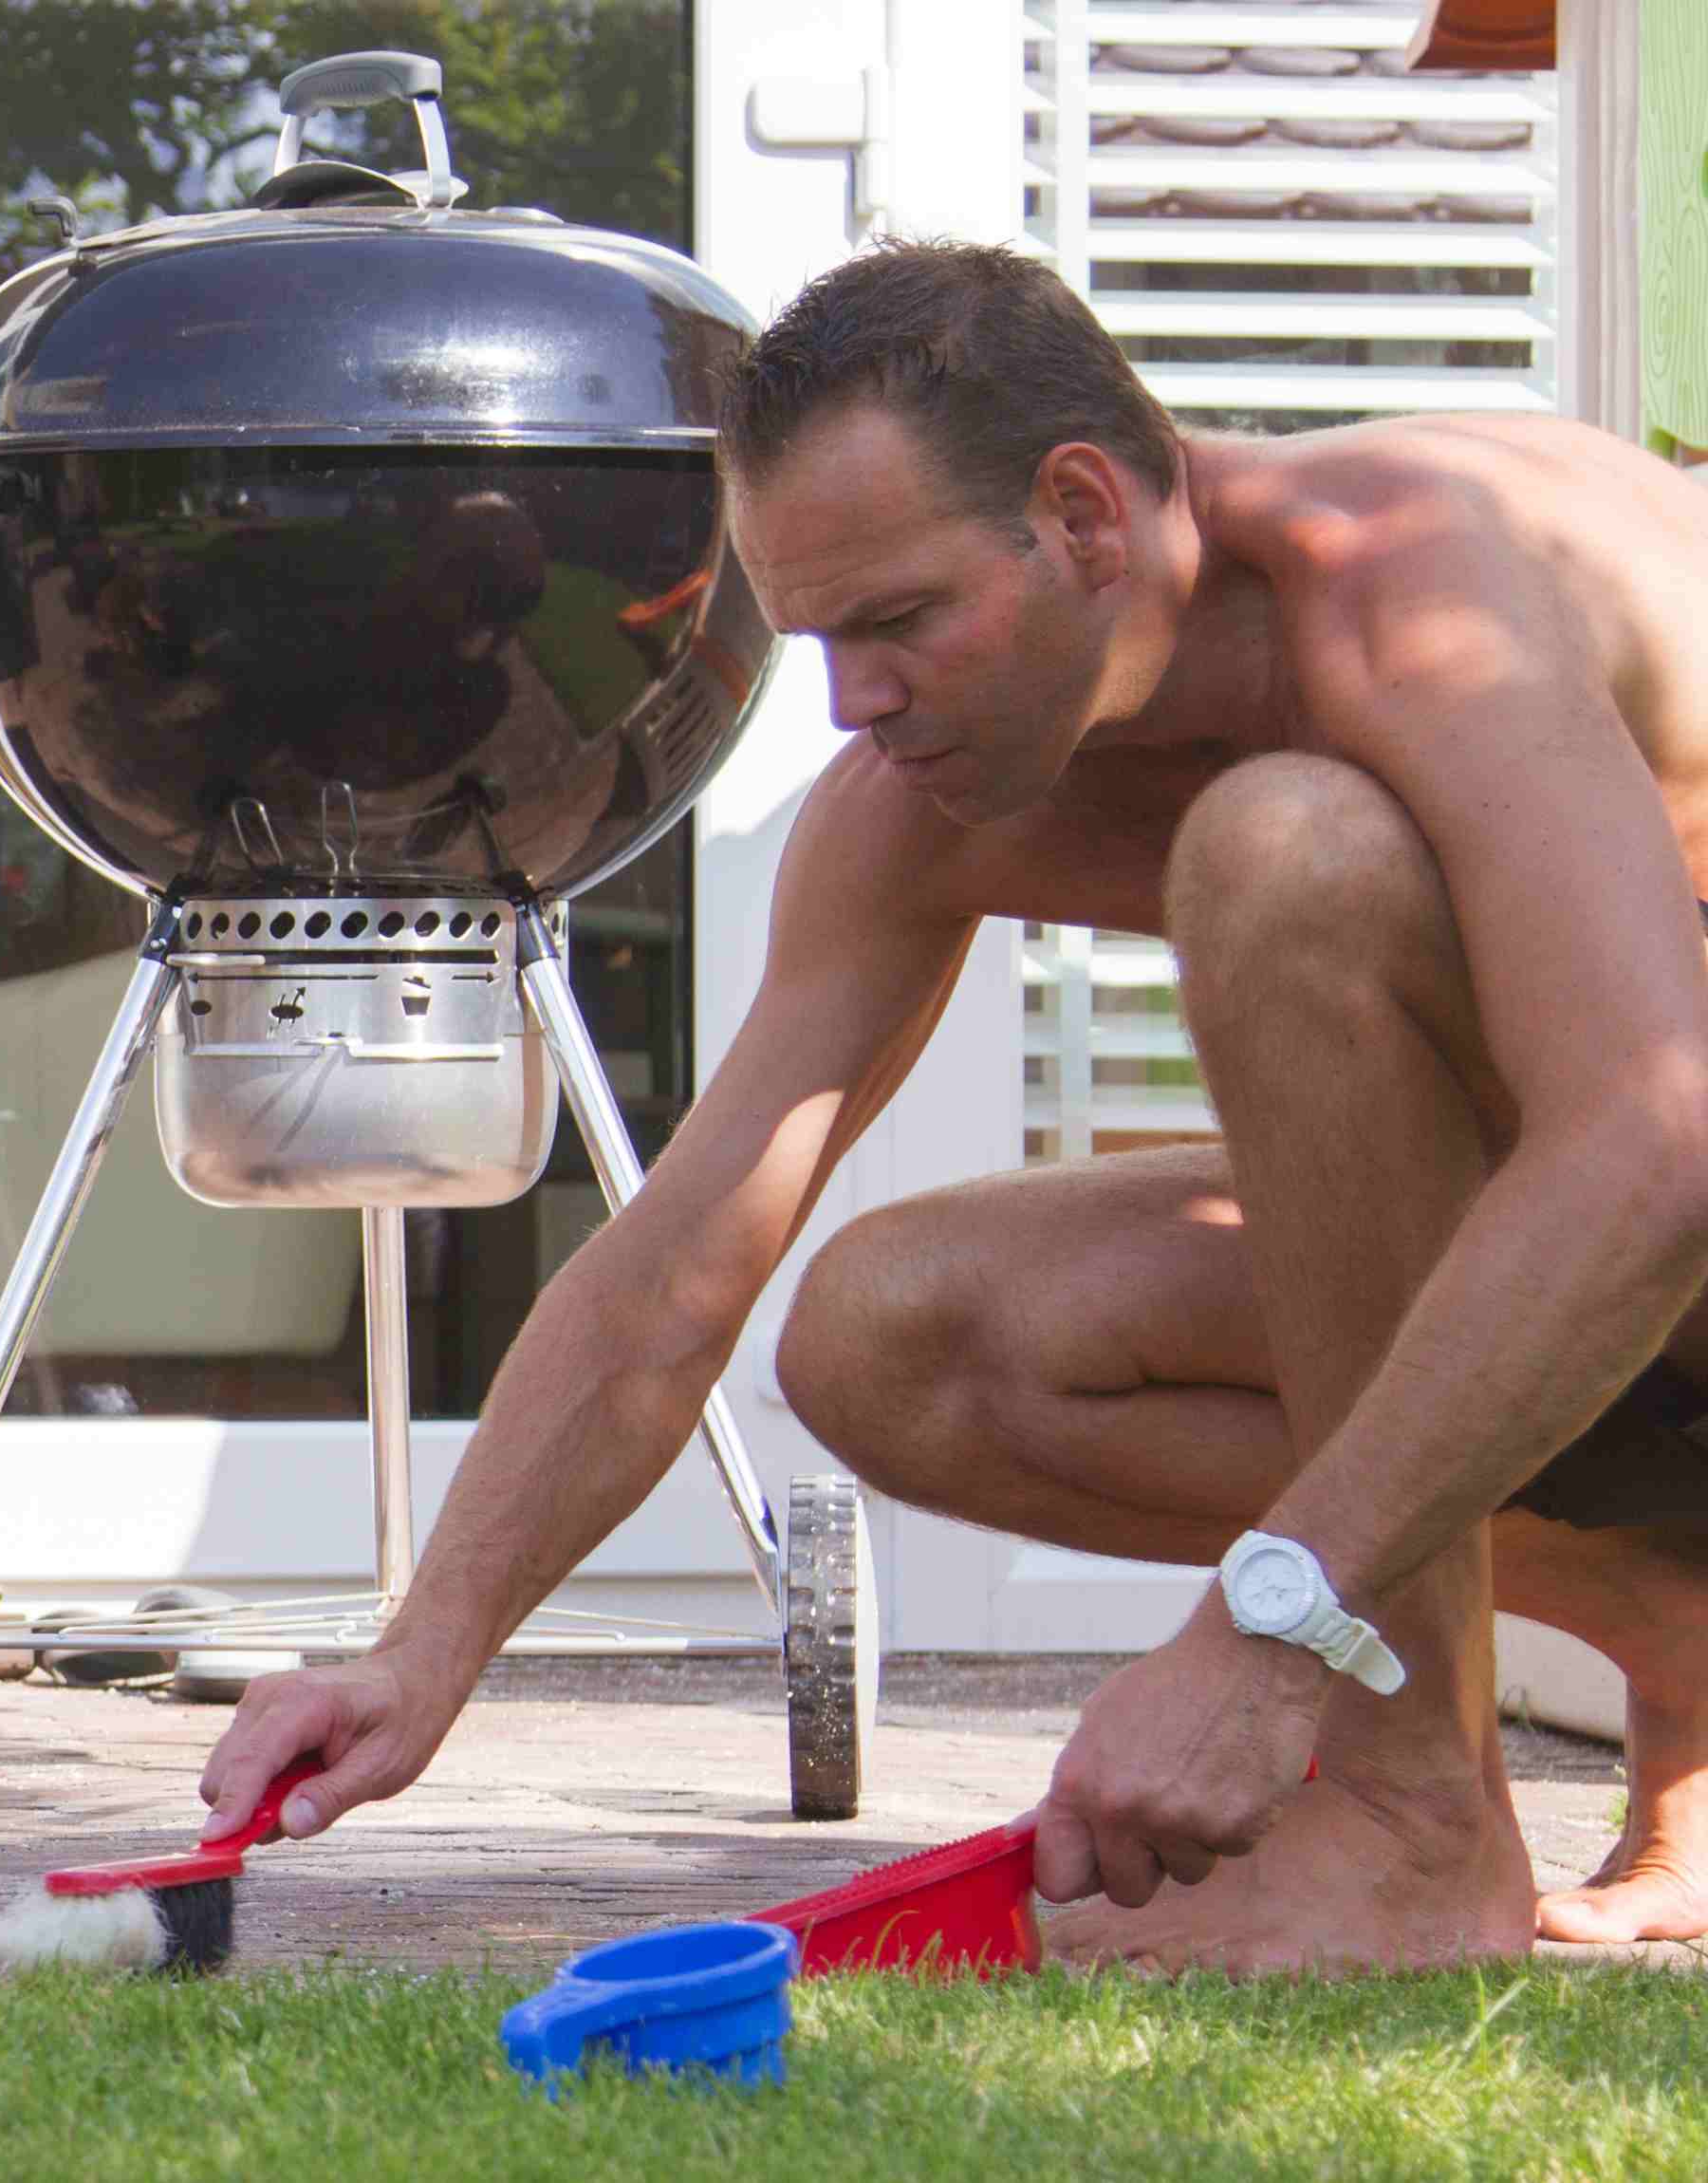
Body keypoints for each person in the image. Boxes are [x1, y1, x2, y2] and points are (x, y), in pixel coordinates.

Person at [194, 237, 1708, 1972]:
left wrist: (1266, 1629)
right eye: (824, 640)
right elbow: (680, 1263)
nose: (858, 701)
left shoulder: (1421, 589)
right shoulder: (911, 809)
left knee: (1293, 852)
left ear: (1083, 518)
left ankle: (1408, 1821)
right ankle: (1674, 1637)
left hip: (1659, 1209)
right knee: (889, 1332)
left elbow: (1653, 1144)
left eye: (902, 622)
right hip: (1606, 1302)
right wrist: (426, 1646)